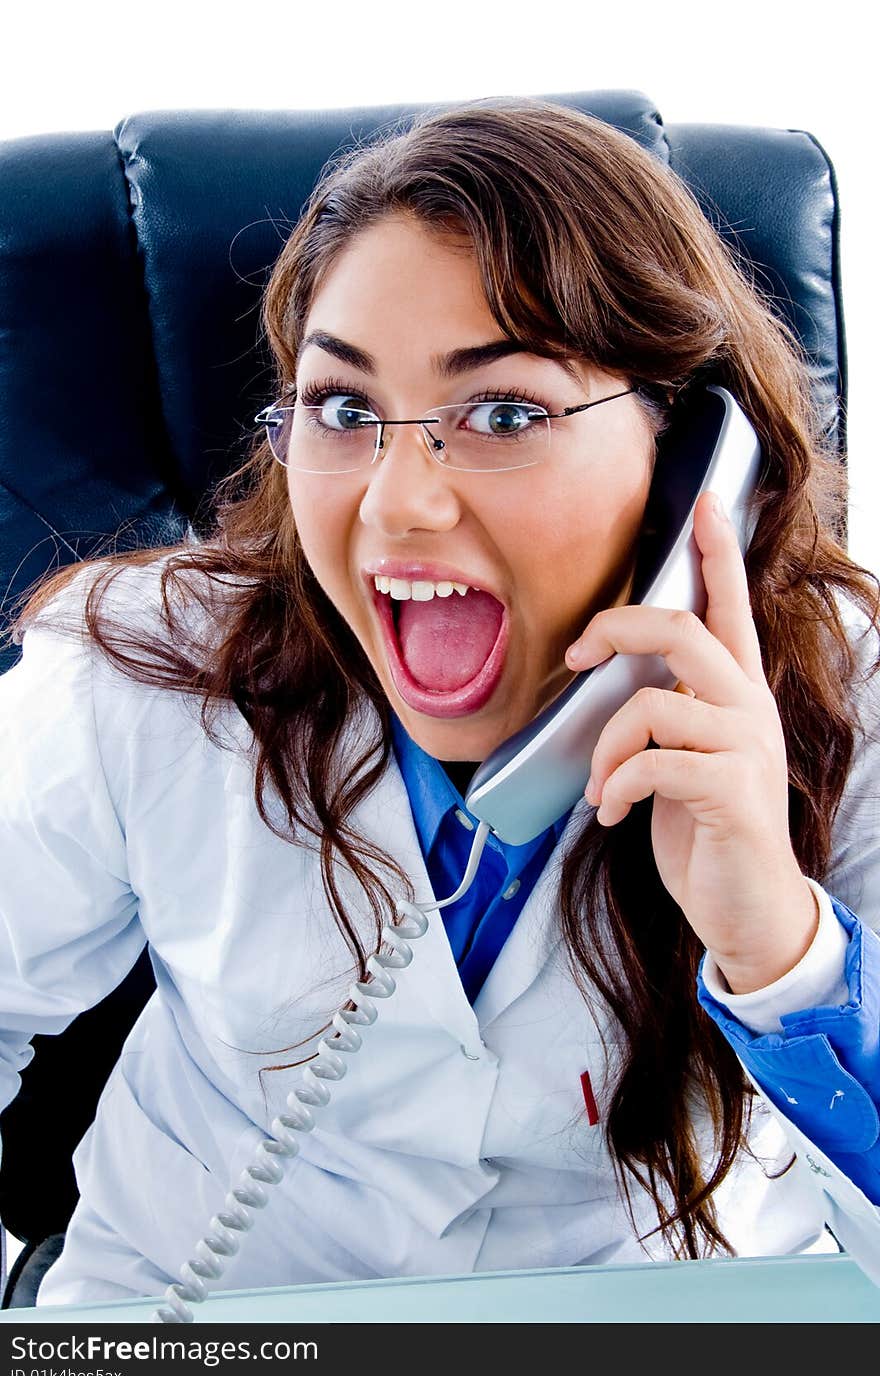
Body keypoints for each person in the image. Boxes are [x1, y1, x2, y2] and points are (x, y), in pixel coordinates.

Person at [2, 96, 880, 1311]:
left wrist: (778, 944)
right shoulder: (140, 668)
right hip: (194, 1329)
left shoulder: (844, 688)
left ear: (684, 456)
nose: (398, 504)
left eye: (506, 413)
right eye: (345, 410)